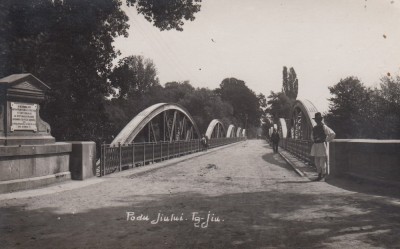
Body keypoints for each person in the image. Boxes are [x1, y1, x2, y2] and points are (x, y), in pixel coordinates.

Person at [310, 112, 336, 181]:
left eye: (318, 119)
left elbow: (332, 134)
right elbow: (312, 136)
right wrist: (314, 140)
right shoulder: (314, 128)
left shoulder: (324, 126)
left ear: (321, 119)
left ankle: (323, 175)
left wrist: (327, 140)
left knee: (322, 162)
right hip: (316, 145)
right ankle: (319, 175)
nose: (317, 120)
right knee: (316, 162)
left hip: (322, 145)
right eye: (316, 119)